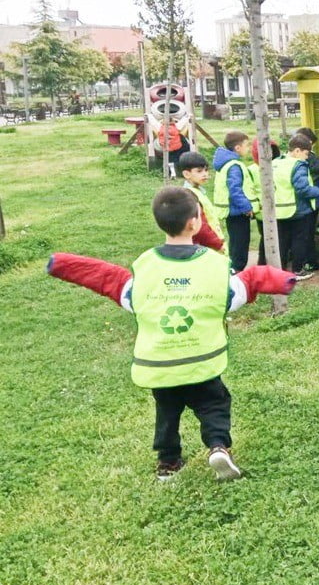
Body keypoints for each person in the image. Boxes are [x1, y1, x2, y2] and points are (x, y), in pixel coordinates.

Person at [45, 187, 297, 481]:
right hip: (200, 360)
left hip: (160, 364)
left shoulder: (146, 267)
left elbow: (107, 278)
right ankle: (218, 446)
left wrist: (62, 264)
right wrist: (283, 280)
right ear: (194, 222)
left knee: (167, 411)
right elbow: (246, 284)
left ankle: (168, 463)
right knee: (213, 404)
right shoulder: (213, 265)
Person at [272, 134, 319, 279]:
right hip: (298, 210)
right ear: (297, 151)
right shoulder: (298, 165)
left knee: (282, 241)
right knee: (299, 240)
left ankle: (280, 270)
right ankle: (297, 270)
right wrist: (316, 191)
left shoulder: (276, 162)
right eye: (306, 154)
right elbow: (302, 189)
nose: (306, 158)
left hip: (279, 209)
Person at [212, 131, 259, 271]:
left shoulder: (226, 163)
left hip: (232, 211)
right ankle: (237, 270)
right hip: (238, 211)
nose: (249, 148)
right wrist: (247, 207)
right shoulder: (234, 166)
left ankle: (233, 267)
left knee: (235, 241)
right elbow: (235, 190)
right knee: (240, 243)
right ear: (238, 148)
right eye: (247, 145)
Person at [176, 152, 225, 254]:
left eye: (206, 170)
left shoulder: (198, 191)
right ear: (187, 174)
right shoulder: (189, 196)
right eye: (199, 171)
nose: (205, 174)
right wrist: (217, 244)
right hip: (204, 247)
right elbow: (200, 225)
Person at [249, 139, 282, 267]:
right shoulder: (251, 170)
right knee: (266, 237)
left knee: (275, 236)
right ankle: (262, 263)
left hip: (277, 208)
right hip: (262, 210)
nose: (269, 154)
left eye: (271, 151)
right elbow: (249, 189)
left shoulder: (276, 166)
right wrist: (256, 206)